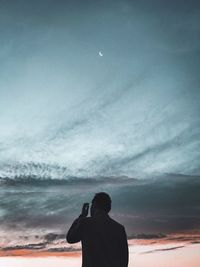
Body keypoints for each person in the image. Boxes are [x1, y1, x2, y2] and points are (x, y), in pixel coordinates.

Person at [66, 192, 129, 267]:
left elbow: (70, 238)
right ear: (108, 208)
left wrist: (81, 217)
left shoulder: (85, 223)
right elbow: (124, 259)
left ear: (94, 205)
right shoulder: (119, 228)